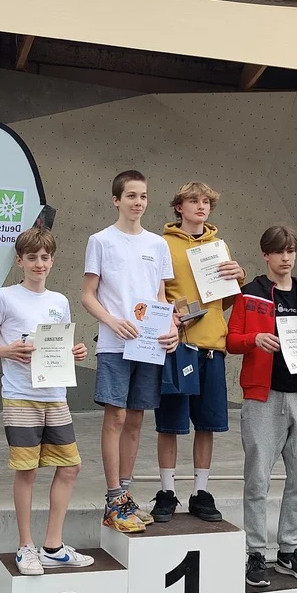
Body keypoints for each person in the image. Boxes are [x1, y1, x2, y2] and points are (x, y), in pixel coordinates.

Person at [0, 226, 92, 576]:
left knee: (70, 467)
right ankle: (26, 547)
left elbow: (58, 350)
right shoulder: (4, 297)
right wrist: (6, 350)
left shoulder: (59, 302)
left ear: (52, 261)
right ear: (19, 261)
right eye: (32, 258)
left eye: (44, 257)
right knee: (28, 471)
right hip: (21, 397)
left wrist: (75, 353)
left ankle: (52, 546)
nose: (39, 264)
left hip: (55, 396)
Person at [82, 169, 180, 533]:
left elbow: (160, 297)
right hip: (114, 342)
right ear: (116, 200)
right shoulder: (101, 241)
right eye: (131, 196)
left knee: (137, 419)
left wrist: (170, 328)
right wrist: (111, 320)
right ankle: (112, 500)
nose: (138, 203)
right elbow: (87, 294)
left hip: (148, 344)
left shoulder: (158, 244)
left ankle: (125, 496)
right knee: (117, 417)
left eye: (143, 196)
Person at [226, 224, 297, 585]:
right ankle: (255, 552)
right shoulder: (249, 293)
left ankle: (288, 551)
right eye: (279, 252)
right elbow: (231, 341)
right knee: (257, 479)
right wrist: (255, 338)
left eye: (291, 251)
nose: (286, 258)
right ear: (265, 255)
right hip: (262, 397)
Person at [151, 181, 245, 523]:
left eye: (206, 201)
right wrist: (168, 315)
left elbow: (227, 299)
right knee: (170, 425)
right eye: (193, 200)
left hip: (211, 346)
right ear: (179, 206)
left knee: (207, 424)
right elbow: (152, 293)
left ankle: (200, 492)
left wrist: (239, 277)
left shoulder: (219, 246)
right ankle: (167, 491)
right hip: (177, 345)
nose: (201, 206)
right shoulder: (162, 244)